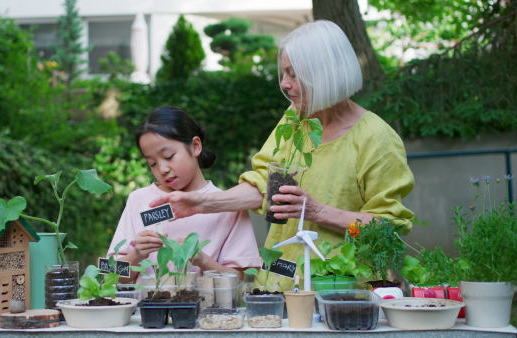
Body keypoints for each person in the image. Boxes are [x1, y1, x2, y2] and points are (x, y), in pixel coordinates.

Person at [149, 20, 415, 290]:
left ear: (325, 73)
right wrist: (199, 203)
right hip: (278, 284)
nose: (284, 84)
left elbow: (388, 228)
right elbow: (265, 185)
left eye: (293, 74)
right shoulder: (295, 120)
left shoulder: (376, 138)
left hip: (340, 293)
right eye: (284, 74)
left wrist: (319, 212)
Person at [107, 107, 261, 284]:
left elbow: (238, 279)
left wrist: (201, 259)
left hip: (205, 310)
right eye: (152, 163)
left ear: (195, 146)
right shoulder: (138, 199)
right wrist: (136, 255)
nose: (163, 169)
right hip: (147, 311)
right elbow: (110, 273)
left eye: (169, 156)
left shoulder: (227, 205)